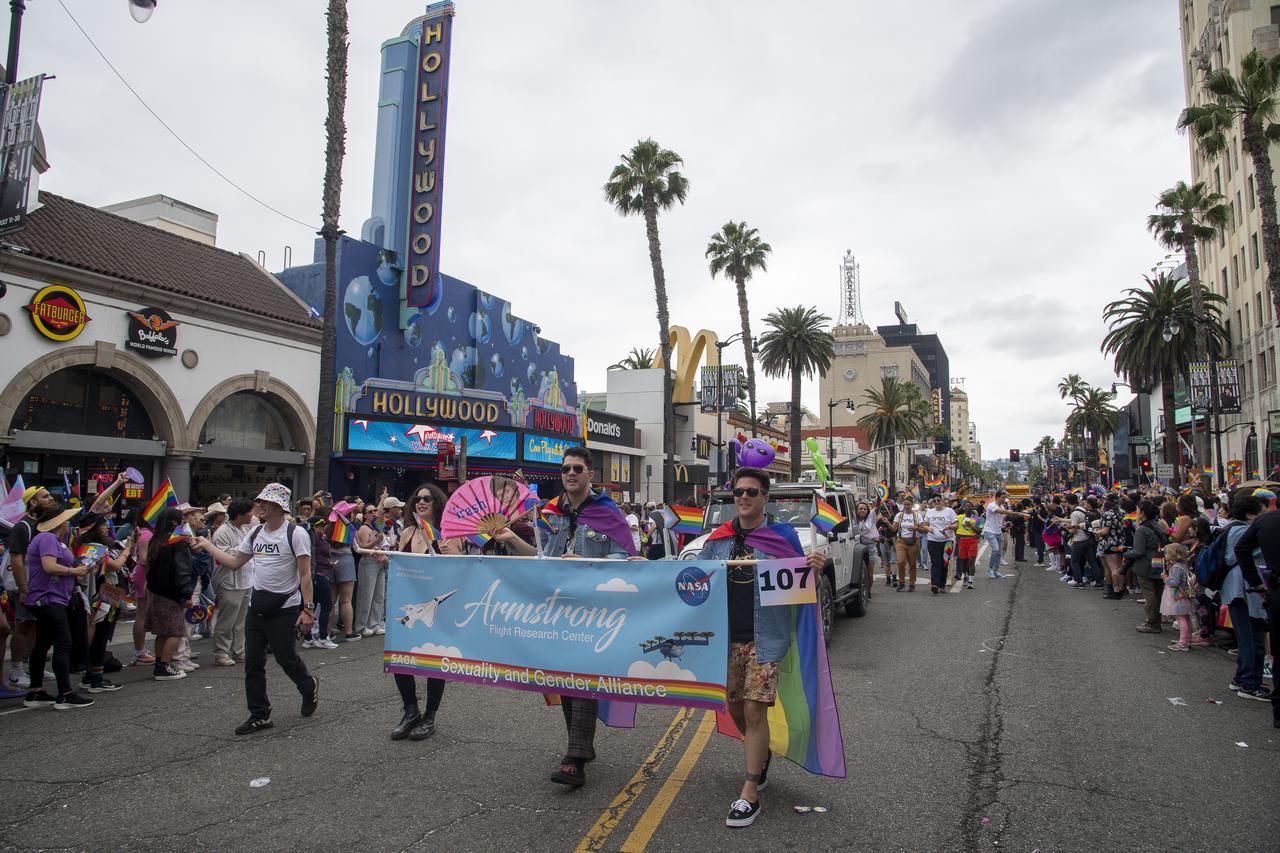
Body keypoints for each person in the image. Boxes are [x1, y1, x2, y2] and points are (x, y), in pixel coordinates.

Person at [697, 467, 825, 828]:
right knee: (737, 710)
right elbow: (690, 578)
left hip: (765, 638)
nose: (743, 497)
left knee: (755, 712)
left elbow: (799, 586)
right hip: (725, 639)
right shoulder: (717, 540)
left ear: (765, 498)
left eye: (751, 492)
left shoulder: (781, 537)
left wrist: (814, 571)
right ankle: (761, 754)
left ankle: (750, 791)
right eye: (738, 491)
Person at [501, 446, 634, 787]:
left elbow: (625, 557)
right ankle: (580, 748)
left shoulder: (608, 512)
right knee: (565, 680)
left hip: (594, 612)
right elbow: (541, 556)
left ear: (591, 474)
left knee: (583, 678)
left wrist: (589, 563)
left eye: (577, 468)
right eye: (565, 469)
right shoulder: (550, 513)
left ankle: (575, 758)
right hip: (558, 611)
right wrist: (511, 537)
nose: (570, 474)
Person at [194, 483, 319, 735]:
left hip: (284, 607)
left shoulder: (295, 534)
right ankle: (259, 714)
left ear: (278, 506)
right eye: (259, 501)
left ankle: (308, 686)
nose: (259, 506)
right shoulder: (255, 533)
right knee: (253, 663)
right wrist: (207, 545)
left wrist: (307, 610)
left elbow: (305, 574)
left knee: (286, 658)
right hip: (257, 605)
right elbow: (234, 562)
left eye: (265, 502)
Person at [390, 484, 450, 741]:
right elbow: (399, 564)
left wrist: (451, 554)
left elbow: (461, 568)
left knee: (435, 661)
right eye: (417, 498)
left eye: (427, 498)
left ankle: (430, 716)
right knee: (400, 657)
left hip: (436, 606)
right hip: (407, 602)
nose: (421, 502)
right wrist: (387, 559)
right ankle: (410, 711)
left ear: (437, 503)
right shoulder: (408, 531)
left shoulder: (447, 533)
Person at [22, 506, 95, 709]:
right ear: (58, 522)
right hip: (48, 598)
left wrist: (80, 569)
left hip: (50, 598)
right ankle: (65, 694)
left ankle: (35, 691)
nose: (68, 523)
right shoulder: (47, 538)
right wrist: (74, 571)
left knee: (43, 643)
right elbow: (49, 566)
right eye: (66, 519)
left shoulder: (53, 540)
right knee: (63, 642)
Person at [5, 485, 59, 689]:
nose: (50, 499)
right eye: (45, 496)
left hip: (42, 586)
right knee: (24, 625)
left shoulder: (44, 524)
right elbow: (16, 560)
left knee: (37, 625)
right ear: (33, 502)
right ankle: (16, 670)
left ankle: (33, 666)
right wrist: (23, 587)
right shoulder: (23, 526)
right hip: (27, 586)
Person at [1218, 492, 1268, 699]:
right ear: (1249, 514)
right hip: (1244, 589)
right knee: (1252, 637)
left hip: (1236, 589)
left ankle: (1241, 678)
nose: (1265, 517)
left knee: (1246, 636)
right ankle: (1249, 683)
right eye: (1261, 513)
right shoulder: (1243, 531)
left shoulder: (1231, 528)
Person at [76, 512, 131, 693]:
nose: (107, 527)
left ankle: (90, 674)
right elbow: (114, 565)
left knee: (100, 634)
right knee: (101, 634)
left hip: (103, 593)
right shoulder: (95, 547)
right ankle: (96, 678)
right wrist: (127, 550)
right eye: (102, 524)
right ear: (93, 528)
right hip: (103, 595)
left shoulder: (82, 545)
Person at [144, 508, 197, 682]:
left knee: (162, 632)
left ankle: (160, 664)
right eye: (182, 520)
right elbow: (182, 570)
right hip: (172, 593)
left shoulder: (156, 540)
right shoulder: (177, 542)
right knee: (175, 631)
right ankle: (164, 666)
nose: (184, 524)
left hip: (156, 591)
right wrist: (187, 593)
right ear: (174, 522)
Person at [211, 500, 254, 666]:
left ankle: (239, 650)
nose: (251, 515)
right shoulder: (222, 532)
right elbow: (224, 556)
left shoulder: (245, 529)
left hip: (246, 580)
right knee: (226, 621)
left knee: (241, 621)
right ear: (240, 514)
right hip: (229, 582)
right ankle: (221, 653)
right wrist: (244, 550)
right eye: (249, 512)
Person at [354, 496, 404, 637]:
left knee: (379, 595)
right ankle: (361, 625)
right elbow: (362, 547)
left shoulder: (377, 525)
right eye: (370, 511)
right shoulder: (364, 528)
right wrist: (376, 541)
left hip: (380, 561)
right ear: (364, 515)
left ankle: (374, 623)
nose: (374, 513)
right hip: (369, 561)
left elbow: (382, 515)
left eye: (375, 511)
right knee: (367, 595)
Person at [1124, 500, 1169, 634]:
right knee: (1158, 592)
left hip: (1145, 563)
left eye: (1138, 511)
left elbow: (1138, 551)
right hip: (1159, 561)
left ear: (1143, 513)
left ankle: (1152, 622)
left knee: (1149, 593)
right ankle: (1157, 620)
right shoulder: (1157, 524)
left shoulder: (1142, 529)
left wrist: (1126, 553)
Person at [303, 514, 339, 651]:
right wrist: (328, 563)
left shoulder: (316, 538)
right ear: (315, 527)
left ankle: (308, 638)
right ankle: (323, 638)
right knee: (326, 605)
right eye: (321, 525)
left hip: (320, 573)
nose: (323, 528)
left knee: (314, 605)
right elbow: (315, 558)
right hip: (318, 574)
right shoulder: (313, 538)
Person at [1160, 543, 1197, 652]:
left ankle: (1182, 643)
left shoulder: (1176, 568)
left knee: (1181, 619)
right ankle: (1187, 640)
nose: (1165, 556)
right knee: (1186, 618)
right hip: (1184, 596)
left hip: (1177, 596)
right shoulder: (1183, 566)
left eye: (1166, 553)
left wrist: (1165, 578)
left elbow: (1174, 582)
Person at [920, 495, 957, 594]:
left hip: (948, 541)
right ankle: (935, 584)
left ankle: (942, 585)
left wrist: (950, 527)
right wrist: (928, 529)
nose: (936, 502)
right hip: (933, 541)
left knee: (944, 563)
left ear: (942, 501)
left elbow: (956, 525)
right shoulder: (930, 512)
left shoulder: (949, 511)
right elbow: (924, 525)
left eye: (938, 500)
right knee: (936, 562)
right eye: (934, 500)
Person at [891, 500, 923, 592]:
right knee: (900, 562)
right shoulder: (899, 515)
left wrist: (916, 528)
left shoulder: (917, 516)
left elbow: (923, 529)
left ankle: (912, 583)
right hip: (901, 541)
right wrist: (886, 522)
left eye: (908, 504)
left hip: (914, 542)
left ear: (912, 505)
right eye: (904, 504)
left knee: (912, 564)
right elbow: (893, 529)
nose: (906, 506)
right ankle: (901, 583)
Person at [953, 501, 980, 590]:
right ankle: (965, 575)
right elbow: (954, 526)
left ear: (972, 508)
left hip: (972, 540)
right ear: (963, 508)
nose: (967, 508)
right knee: (963, 561)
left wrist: (971, 527)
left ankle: (970, 582)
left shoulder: (976, 519)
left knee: (971, 561)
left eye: (969, 506)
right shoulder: (959, 517)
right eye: (966, 506)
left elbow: (979, 531)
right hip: (962, 540)